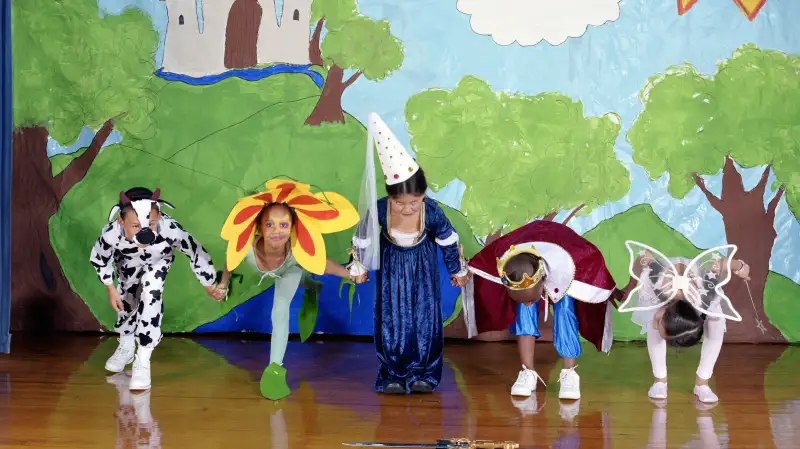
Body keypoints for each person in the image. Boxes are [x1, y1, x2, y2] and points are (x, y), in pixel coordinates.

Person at [348, 112, 469, 395]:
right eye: (400, 202)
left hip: (422, 276)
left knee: (424, 321)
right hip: (392, 275)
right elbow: (364, 238)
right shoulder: (380, 209)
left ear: (423, 195)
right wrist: (359, 266)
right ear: (390, 197)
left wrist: (456, 270)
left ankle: (424, 373)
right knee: (392, 321)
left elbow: (448, 240)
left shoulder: (432, 211)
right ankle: (393, 373)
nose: (407, 208)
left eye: (413, 202)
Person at [215, 179, 365, 400]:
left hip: (289, 269)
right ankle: (313, 286)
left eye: (284, 225)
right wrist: (223, 283)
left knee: (281, 307)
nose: (277, 231)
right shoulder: (245, 248)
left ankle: (274, 369)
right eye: (270, 224)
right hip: (270, 268)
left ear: (293, 228)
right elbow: (230, 261)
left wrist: (351, 274)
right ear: (259, 227)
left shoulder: (297, 251)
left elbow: (323, 264)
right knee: (307, 280)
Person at [462, 220, 619, 401]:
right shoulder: (506, 252)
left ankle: (569, 373)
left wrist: (608, 287)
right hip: (530, 260)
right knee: (524, 310)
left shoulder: (571, 260)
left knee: (565, 309)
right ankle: (527, 372)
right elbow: (484, 260)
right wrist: (466, 272)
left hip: (562, 268)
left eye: (531, 299)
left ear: (542, 280)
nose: (529, 303)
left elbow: (594, 263)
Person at [90, 187, 221, 391]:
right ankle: (125, 344)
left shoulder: (170, 229)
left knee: (151, 293)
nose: (144, 230)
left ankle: (143, 358)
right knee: (127, 298)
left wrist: (208, 282)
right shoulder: (111, 234)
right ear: (121, 222)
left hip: (158, 260)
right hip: (127, 262)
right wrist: (110, 287)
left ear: (158, 216)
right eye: (135, 226)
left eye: (150, 224)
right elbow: (100, 258)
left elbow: (195, 250)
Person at [619, 241, 751, 403]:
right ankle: (660, 381)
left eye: (659, 322)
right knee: (654, 322)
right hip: (671, 276)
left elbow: (720, 264)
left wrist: (739, 267)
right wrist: (631, 285)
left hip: (697, 281)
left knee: (716, 324)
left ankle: (702, 384)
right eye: (659, 322)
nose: (654, 324)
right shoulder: (657, 278)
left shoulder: (706, 294)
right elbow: (643, 256)